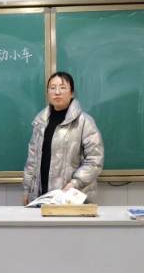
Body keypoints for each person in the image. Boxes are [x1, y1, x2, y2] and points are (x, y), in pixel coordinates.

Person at [22, 71, 104, 204]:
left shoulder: (84, 122)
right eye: (52, 88)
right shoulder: (40, 123)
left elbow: (95, 160)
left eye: (63, 87)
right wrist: (27, 190)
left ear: (72, 93)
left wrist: (74, 183)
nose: (57, 92)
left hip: (72, 197)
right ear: (47, 93)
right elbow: (32, 161)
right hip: (41, 197)